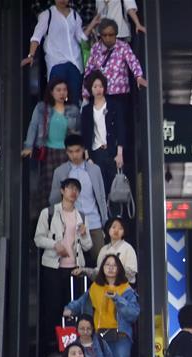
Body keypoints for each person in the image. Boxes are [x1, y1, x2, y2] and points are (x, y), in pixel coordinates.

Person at [64, 254, 139, 357]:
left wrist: (118, 299)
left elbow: (133, 313)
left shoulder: (126, 289)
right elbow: (81, 302)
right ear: (102, 269)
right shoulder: (95, 288)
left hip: (120, 336)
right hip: (99, 336)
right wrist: (69, 308)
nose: (111, 268)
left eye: (114, 265)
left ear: (119, 269)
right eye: (107, 265)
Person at [33, 177, 91, 352]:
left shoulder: (81, 216)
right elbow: (38, 239)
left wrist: (85, 234)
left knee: (74, 310)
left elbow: (88, 246)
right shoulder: (49, 212)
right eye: (70, 188)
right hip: (53, 268)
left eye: (76, 189)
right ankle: (53, 348)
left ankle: (73, 347)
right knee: (52, 309)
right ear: (62, 190)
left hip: (75, 269)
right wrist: (55, 245)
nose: (73, 192)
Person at [22, 0, 98, 104]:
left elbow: (81, 38)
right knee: (57, 102)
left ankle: (73, 120)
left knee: (74, 102)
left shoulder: (75, 15)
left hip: (75, 64)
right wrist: (31, 55)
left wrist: (92, 24)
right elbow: (36, 36)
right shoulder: (47, 15)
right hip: (56, 64)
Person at [49, 134, 109, 265]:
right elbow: (53, 199)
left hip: (94, 223)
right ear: (66, 152)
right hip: (70, 225)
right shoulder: (60, 172)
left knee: (100, 264)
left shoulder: (94, 170)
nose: (74, 155)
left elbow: (101, 196)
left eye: (77, 151)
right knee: (71, 265)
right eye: (70, 152)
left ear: (83, 150)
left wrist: (104, 219)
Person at [22, 78, 81, 201]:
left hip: (66, 153)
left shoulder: (73, 110)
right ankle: (48, 216)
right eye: (58, 90)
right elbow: (33, 127)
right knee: (48, 187)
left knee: (67, 187)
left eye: (64, 90)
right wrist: (28, 147)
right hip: (48, 152)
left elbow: (78, 133)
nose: (62, 93)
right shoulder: (42, 108)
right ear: (51, 92)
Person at [80, 71, 126, 199]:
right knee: (99, 191)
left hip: (112, 152)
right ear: (90, 89)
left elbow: (121, 129)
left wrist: (120, 154)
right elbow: (85, 135)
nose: (98, 89)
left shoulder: (114, 105)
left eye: (100, 86)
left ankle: (116, 217)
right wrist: (88, 157)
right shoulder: (87, 110)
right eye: (95, 87)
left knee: (115, 189)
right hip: (96, 153)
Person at [82, 18, 146, 105]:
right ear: (100, 35)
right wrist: (85, 95)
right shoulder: (95, 48)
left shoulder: (123, 46)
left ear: (116, 34)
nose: (108, 38)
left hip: (120, 94)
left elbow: (133, 61)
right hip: (101, 94)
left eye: (111, 35)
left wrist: (139, 76)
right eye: (104, 35)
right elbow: (88, 71)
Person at [74, 216, 137, 284]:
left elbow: (131, 272)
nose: (116, 230)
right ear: (108, 229)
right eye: (113, 227)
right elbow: (98, 272)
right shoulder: (103, 250)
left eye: (120, 228)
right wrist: (84, 271)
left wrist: (113, 273)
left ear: (124, 232)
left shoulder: (128, 248)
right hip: (105, 288)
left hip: (124, 288)